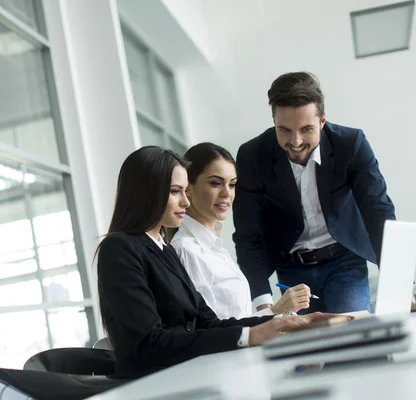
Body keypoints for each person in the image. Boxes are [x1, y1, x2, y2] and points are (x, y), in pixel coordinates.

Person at [97, 146, 338, 379]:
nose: (186, 202)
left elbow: (207, 323)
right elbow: (148, 344)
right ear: (146, 193)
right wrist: (249, 336)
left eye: (184, 191)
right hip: (159, 384)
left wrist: (285, 321)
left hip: (188, 375)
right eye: (175, 191)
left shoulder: (163, 249)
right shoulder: (120, 249)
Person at [233, 72, 396, 314]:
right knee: (307, 346)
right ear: (273, 121)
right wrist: (262, 303)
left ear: (322, 121)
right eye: (284, 130)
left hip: (344, 261)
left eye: (306, 129)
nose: (295, 141)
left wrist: (398, 285)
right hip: (290, 268)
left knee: (355, 338)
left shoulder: (351, 144)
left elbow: (377, 211)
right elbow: (248, 235)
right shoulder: (252, 157)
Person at [171, 142, 311, 319]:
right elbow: (209, 331)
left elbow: (234, 320)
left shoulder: (215, 247)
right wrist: (275, 312)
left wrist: (280, 315)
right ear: (188, 188)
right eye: (215, 183)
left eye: (232, 185)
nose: (226, 194)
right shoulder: (187, 250)